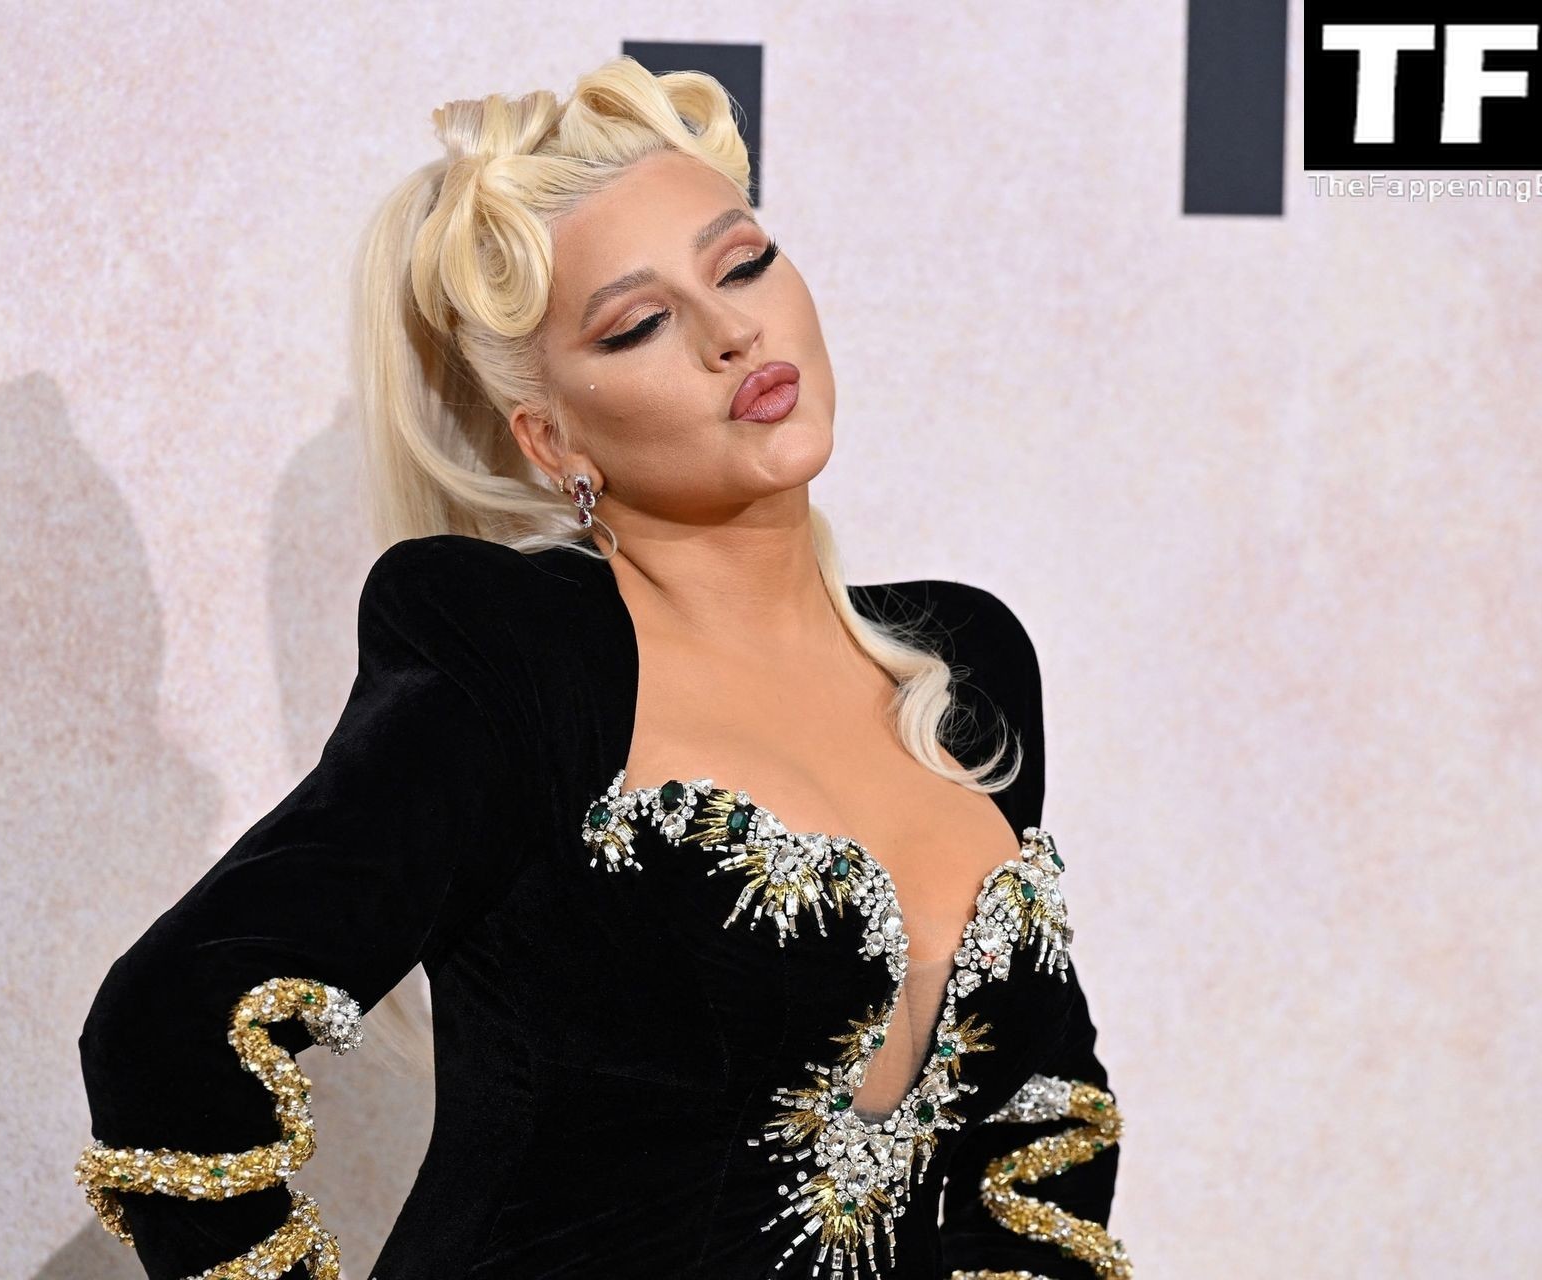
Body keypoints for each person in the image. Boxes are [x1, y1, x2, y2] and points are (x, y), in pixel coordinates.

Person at [74, 54, 1128, 1280]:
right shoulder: (517, 657)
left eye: (743, 263)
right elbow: (168, 1030)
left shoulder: (966, 665)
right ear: (553, 439)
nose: (732, 332)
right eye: (637, 325)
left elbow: (1040, 1113)